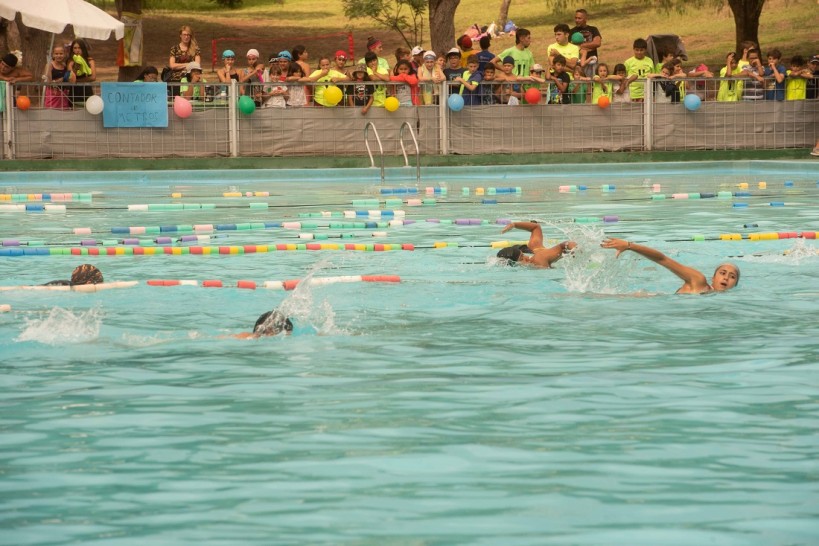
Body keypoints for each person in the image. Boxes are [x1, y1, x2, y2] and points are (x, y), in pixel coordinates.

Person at [601, 238, 739, 294]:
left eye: (732, 276)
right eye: (722, 273)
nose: (726, 278)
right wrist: (629, 246)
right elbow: (662, 259)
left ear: (736, 284)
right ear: (713, 277)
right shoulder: (698, 280)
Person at [497, 221, 576, 268]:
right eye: (522, 258)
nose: (527, 258)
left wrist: (514, 224)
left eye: (523, 255)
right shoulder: (536, 253)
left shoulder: (539, 255)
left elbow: (564, 245)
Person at [568, 8, 602, 77]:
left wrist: (580, 46)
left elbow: (597, 43)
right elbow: (569, 46)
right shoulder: (571, 31)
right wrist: (589, 46)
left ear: (585, 19)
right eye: (576, 18)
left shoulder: (593, 29)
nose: (577, 20)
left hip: (592, 63)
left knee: (592, 83)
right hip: (578, 64)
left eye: (579, 18)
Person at [168, 25, 201, 92]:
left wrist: (179, 66)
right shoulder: (174, 49)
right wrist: (188, 65)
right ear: (180, 35)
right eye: (184, 35)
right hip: (176, 78)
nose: (186, 37)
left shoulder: (196, 49)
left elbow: (197, 65)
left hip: (191, 78)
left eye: (188, 35)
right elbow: (172, 65)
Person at [624, 38, 655, 102]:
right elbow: (624, 77)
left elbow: (653, 75)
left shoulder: (649, 61)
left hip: (647, 93)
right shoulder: (628, 62)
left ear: (645, 50)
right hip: (632, 94)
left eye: (641, 50)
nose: (639, 52)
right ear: (633, 49)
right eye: (637, 50)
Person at [45, 44, 75, 110]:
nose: (59, 56)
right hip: (52, 95)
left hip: (63, 95)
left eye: (61, 53)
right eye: (56, 53)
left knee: (63, 116)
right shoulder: (49, 65)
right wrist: (60, 80)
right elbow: (48, 82)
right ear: (53, 54)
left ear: (64, 54)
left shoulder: (64, 66)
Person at [67, 38, 95, 104]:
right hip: (74, 92)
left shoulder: (90, 61)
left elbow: (93, 77)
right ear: (72, 50)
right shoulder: (70, 62)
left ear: (83, 49)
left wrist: (78, 81)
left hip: (87, 90)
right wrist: (76, 66)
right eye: (75, 48)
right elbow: (71, 78)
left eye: (79, 48)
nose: (77, 50)